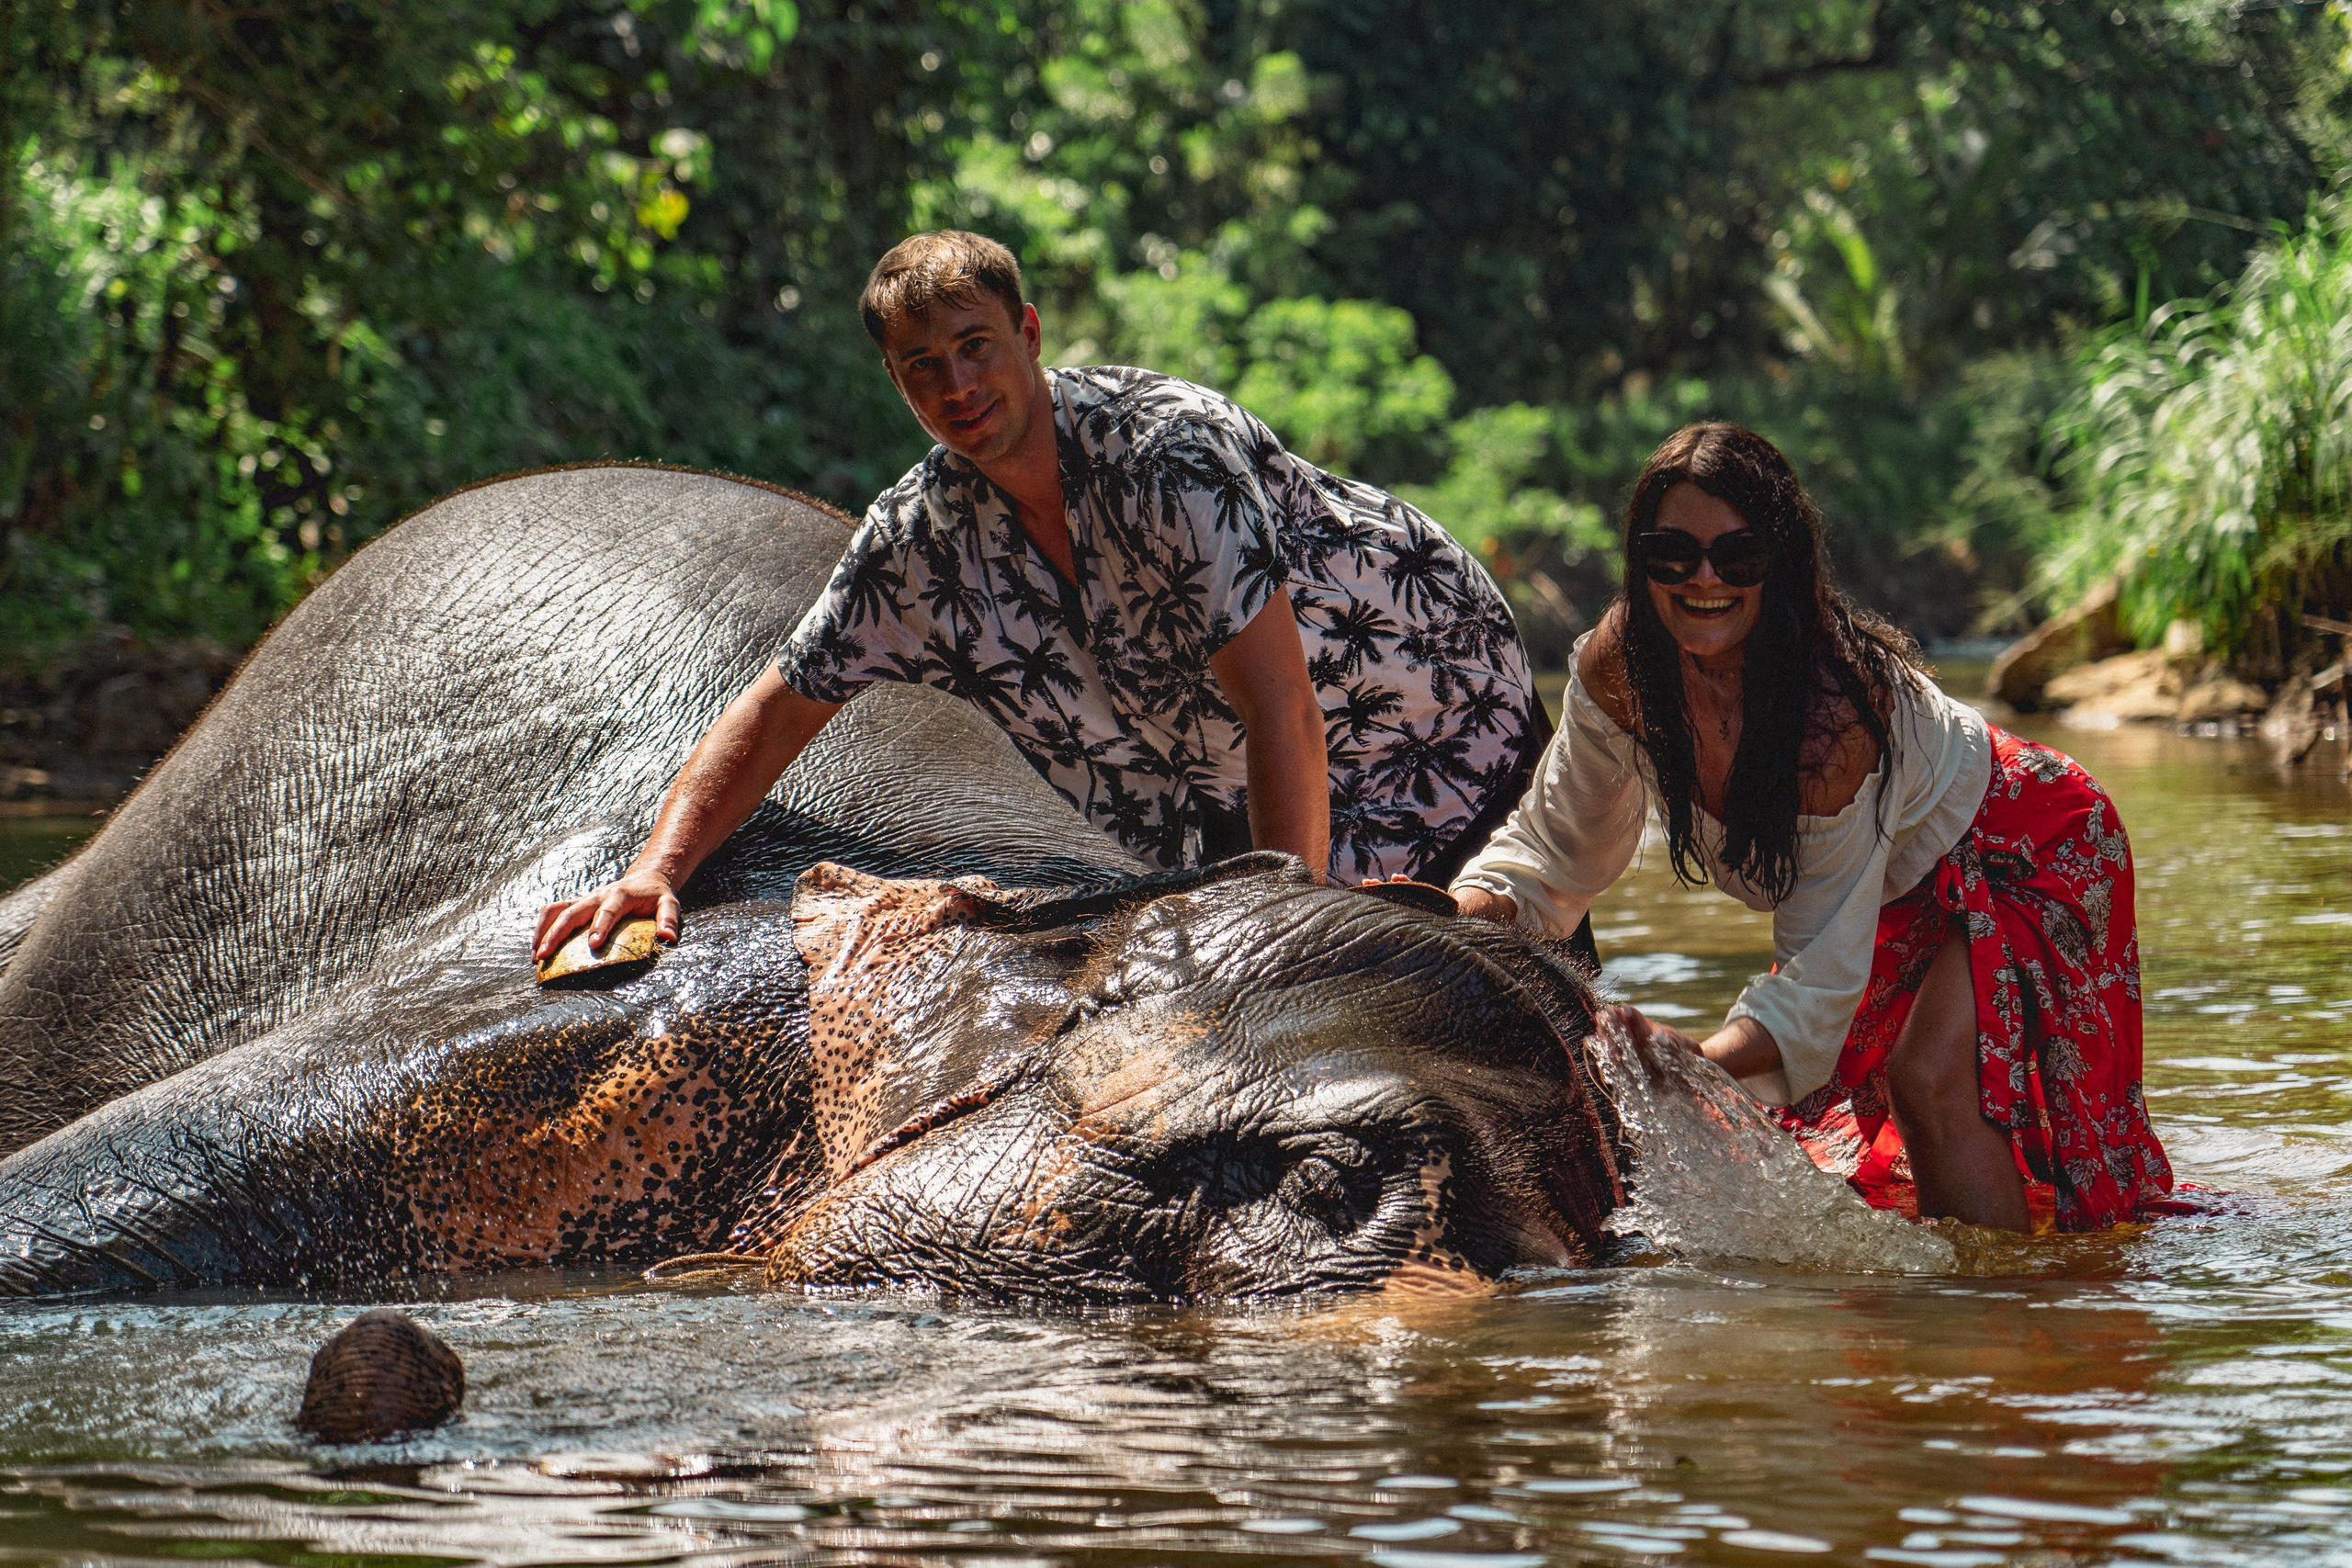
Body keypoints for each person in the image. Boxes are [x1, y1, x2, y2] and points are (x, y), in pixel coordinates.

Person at [536, 230, 1555, 965]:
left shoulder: (1166, 455)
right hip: (1218, 776)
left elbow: (1281, 709)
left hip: (1425, 708)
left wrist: (1273, 935)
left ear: (1027, 332)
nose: (955, 386)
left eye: (975, 345)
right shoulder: (919, 537)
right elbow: (778, 706)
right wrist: (657, 869)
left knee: (1481, 1006)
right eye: (920, 367)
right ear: (897, 383)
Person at [1449, 423, 2173, 1234]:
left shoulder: (1831, 720)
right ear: (1640, 563)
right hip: (1900, 878)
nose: (1704, 581)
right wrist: (1442, 921)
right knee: (1861, 1145)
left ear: (1782, 565)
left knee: (1931, 1082)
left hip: (2032, 839)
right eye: (1672, 555)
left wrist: (1687, 1059)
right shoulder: (1621, 668)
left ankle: (1999, 1339)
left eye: (1739, 556)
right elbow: (1552, 855)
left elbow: (1814, 989)